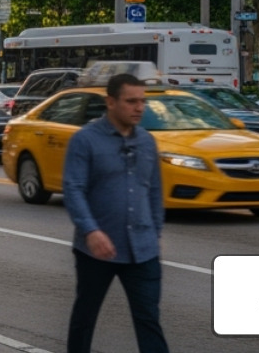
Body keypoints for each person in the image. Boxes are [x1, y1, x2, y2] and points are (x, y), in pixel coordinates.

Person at [63, 73, 168, 353]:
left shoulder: (147, 142)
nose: (139, 107)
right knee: (85, 316)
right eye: (131, 101)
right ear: (111, 102)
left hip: (143, 250)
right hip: (97, 250)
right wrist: (91, 231)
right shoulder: (85, 140)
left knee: (149, 320)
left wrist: (156, 232)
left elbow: (154, 191)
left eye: (142, 101)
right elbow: (73, 190)